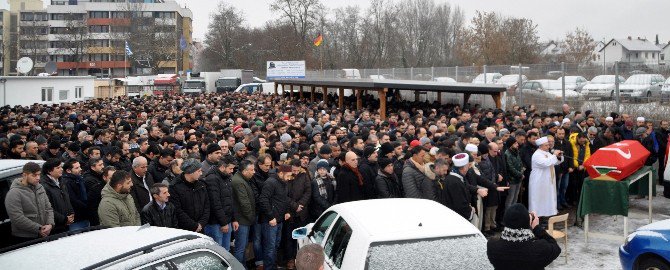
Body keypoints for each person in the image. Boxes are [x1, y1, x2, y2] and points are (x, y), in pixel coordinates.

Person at [487, 203, 561, 270]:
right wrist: (536, 228)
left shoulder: (492, 246)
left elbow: (505, 242)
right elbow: (555, 247)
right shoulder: (539, 249)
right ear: (527, 222)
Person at [5, 162, 54, 244]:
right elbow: (17, 218)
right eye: (34, 175)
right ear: (24, 175)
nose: (38, 178)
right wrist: (39, 228)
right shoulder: (14, 193)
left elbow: (48, 208)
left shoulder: (40, 187)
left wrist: (50, 224)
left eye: (39, 174)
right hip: (25, 237)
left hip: (44, 233)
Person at [258, 164, 292, 270]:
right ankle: (269, 267)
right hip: (270, 221)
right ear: (281, 173)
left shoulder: (284, 183)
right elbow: (263, 200)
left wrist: (287, 211)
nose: (289, 178)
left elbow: (284, 198)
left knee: (275, 245)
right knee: (270, 247)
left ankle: (273, 265)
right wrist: (270, 217)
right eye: (288, 175)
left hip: (280, 219)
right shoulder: (270, 182)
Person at [284, 159, 312, 269]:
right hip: (289, 211)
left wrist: (300, 204)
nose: (295, 173)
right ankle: (290, 259)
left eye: (297, 170)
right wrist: (294, 206)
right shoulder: (285, 175)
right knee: (289, 237)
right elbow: (283, 194)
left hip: (302, 211)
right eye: (293, 170)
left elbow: (308, 191)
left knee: (301, 236)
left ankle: (300, 258)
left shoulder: (304, 175)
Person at [203, 156, 236, 251]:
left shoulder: (227, 177)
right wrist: (223, 223)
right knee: (218, 251)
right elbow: (215, 203)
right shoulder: (212, 179)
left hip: (227, 220)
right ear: (222, 167)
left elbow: (230, 199)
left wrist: (234, 218)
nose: (232, 171)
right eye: (230, 168)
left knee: (226, 250)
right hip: (216, 223)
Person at [170, 159, 210, 232]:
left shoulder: (201, 184)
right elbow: (177, 210)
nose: (201, 173)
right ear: (190, 172)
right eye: (199, 171)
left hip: (201, 227)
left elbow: (207, 205)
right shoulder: (175, 186)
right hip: (184, 229)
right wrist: (194, 226)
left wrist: (201, 224)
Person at [529, 137, 563, 220]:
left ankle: (546, 215)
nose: (549, 146)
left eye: (548, 145)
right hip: (539, 180)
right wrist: (554, 155)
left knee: (547, 198)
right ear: (541, 146)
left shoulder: (546, 153)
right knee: (539, 198)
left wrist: (559, 156)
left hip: (547, 180)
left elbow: (555, 162)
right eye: (546, 145)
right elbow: (546, 163)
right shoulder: (537, 154)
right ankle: (538, 217)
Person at [231, 160, 257, 266]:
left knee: (242, 246)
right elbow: (244, 203)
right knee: (240, 248)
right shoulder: (239, 182)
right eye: (251, 170)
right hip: (242, 220)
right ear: (244, 171)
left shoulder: (242, 179)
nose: (254, 172)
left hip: (244, 219)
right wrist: (251, 217)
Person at [41, 158, 74, 234]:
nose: (61, 169)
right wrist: (64, 219)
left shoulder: (61, 181)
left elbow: (67, 199)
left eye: (61, 167)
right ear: (49, 171)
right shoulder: (44, 186)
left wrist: (71, 213)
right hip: (56, 226)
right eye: (58, 168)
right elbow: (48, 208)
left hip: (66, 223)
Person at [444, 153, 478, 225]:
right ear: (462, 168)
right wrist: (471, 210)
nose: (468, 168)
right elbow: (460, 204)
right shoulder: (455, 182)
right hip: (458, 220)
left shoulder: (454, 178)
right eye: (467, 166)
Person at [62, 159, 90, 231]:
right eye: (77, 168)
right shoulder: (66, 183)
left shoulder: (79, 179)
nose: (80, 169)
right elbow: (73, 200)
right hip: (76, 218)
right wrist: (87, 206)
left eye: (79, 167)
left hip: (85, 216)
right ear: (68, 170)